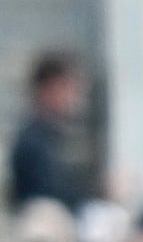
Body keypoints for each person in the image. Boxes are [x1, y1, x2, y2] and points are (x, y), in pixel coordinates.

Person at [9, 53, 92, 217]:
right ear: (48, 89)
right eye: (69, 88)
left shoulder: (54, 137)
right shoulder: (32, 141)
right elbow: (53, 196)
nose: (75, 98)